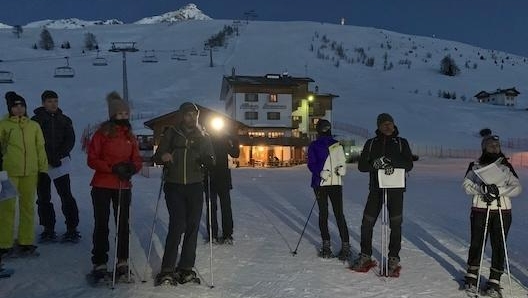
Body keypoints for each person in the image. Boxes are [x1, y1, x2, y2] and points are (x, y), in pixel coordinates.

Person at [153, 102, 215, 286]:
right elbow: (157, 156)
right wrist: (163, 156)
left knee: (193, 226)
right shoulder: (171, 133)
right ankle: (167, 269)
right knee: (177, 225)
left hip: (195, 186)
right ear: (182, 116)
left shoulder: (204, 136)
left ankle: (186, 268)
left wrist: (207, 160)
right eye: (188, 114)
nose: (192, 117)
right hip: (174, 185)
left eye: (194, 114)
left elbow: (212, 159)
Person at [87, 92, 142, 278]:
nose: (123, 117)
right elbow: (92, 159)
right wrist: (112, 168)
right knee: (102, 224)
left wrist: (131, 168)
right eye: (119, 114)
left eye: (125, 114)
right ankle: (100, 262)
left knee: (123, 224)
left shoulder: (130, 136)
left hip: (123, 185)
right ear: (112, 115)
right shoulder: (102, 134)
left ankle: (122, 260)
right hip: (103, 184)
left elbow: (137, 159)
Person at [351, 113, 414, 274]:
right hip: (376, 189)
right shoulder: (371, 143)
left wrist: (392, 163)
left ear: (394, 125)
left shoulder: (401, 142)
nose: (388, 126)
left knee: (395, 225)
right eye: (384, 124)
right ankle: (365, 255)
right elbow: (362, 166)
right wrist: (376, 164)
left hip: (396, 190)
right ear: (378, 126)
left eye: (390, 123)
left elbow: (408, 164)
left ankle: (393, 258)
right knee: (367, 223)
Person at [462, 130, 521, 297]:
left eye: (497, 145)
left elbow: (517, 188)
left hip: (502, 211)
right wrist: (482, 189)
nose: (494, 148)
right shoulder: (475, 166)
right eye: (490, 145)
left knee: (498, 244)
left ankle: (495, 279)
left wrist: (499, 191)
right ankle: (472, 275)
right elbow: (466, 186)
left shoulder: (506, 166)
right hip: (480, 209)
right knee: (477, 242)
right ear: (484, 148)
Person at [0, 91, 48, 258]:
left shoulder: (33, 126)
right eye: (15, 106)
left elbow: (40, 148)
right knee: (7, 208)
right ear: (10, 108)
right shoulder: (3, 125)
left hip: (30, 172)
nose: (19, 109)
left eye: (22, 105)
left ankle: (26, 241)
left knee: (27, 207)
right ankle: (4, 243)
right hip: (9, 172)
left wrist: (43, 169)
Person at [32, 90, 80, 243]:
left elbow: (70, 140)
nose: (53, 104)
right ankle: (48, 228)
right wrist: (46, 157)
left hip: (60, 164)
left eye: (55, 101)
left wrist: (59, 155)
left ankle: (72, 228)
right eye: (49, 101)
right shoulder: (35, 121)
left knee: (66, 195)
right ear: (43, 103)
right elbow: (33, 141)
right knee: (43, 197)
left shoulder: (65, 120)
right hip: (42, 164)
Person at [307, 119, 350, 260]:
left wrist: (342, 168)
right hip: (321, 182)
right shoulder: (315, 145)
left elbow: (341, 161)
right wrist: (320, 171)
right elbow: (311, 164)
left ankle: (344, 245)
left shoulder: (336, 146)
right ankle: (328, 244)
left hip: (334, 182)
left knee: (338, 214)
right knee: (325, 213)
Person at [205, 128, 239, 244]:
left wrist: (233, 139)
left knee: (226, 207)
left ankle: (228, 234)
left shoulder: (225, 139)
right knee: (211, 207)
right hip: (209, 177)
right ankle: (212, 234)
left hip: (223, 178)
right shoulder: (206, 138)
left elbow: (235, 153)